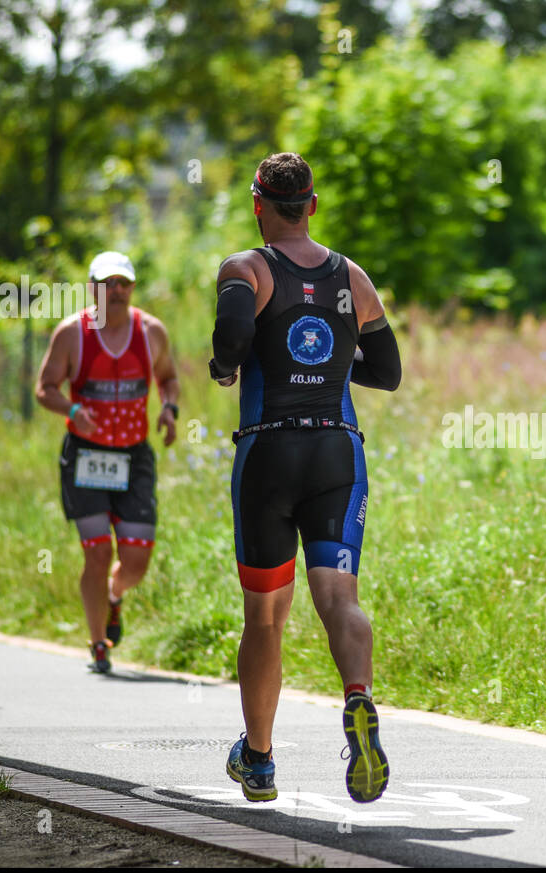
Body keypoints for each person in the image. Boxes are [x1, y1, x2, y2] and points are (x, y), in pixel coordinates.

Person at [210, 152, 401, 803]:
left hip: (269, 453)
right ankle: (357, 699)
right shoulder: (353, 275)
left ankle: (259, 759)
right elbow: (389, 369)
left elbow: (232, 333)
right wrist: (332, 370)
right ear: (311, 205)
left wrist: (225, 365)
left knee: (265, 617)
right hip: (337, 456)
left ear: (259, 204)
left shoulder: (248, 268)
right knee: (339, 599)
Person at [35, 251, 180, 674]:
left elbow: (168, 378)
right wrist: (72, 410)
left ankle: (116, 596)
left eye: (124, 284)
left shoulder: (151, 331)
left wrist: (169, 410)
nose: (116, 291)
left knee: (135, 562)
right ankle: (99, 644)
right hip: (87, 456)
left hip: (134, 456)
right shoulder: (71, 334)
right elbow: (44, 388)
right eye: (107, 283)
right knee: (97, 554)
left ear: (132, 288)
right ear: (92, 288)